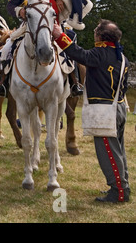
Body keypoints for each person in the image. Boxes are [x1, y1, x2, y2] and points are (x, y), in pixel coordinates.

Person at [53, 19, 130, 203]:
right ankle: (122, 186)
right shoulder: (121, 56)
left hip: (105, 112)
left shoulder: (101, 53)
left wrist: (59, 36)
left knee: (109, 153)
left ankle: (118, 191)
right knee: (118, 151)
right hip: (118, 107)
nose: (94, 33)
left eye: (96, 30)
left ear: (101, 36)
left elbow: (79, 54)